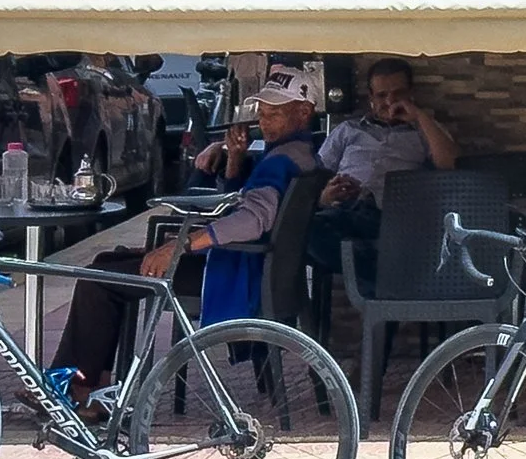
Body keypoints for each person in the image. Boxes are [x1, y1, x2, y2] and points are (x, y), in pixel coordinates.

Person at [49, 67, 324, 400]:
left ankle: (75, 389)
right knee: (107, 261)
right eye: (262, 114)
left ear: (304, 112)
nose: (264, 123)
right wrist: (234, 159)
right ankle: (93, 386)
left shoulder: (281, 162)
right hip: (248, 269)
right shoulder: (301, 156)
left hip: (232, 275)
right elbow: (242, 205)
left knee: (99, 279)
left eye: (275, 114)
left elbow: (252, 221)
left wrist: (180, 247)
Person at [307, 57, 458, 288]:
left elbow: (450, 164)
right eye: (381, 95)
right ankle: (387, 277)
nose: (390, 101)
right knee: (308, 228)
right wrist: (324, 197)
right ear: (370, 98)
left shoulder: (424, 131)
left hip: (396, 219)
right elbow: (314, 178)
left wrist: (419, 116)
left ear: (411, 94)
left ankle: (380, 278)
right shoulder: (348, 130)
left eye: (398, 94)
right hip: (346, 214)